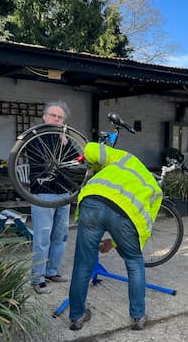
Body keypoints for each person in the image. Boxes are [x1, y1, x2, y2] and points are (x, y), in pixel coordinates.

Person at [68, 142, 163, 331]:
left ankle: (77, 317)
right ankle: (138, 317)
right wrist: (118, 243)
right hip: (125, 215)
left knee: (83, 263)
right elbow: (144, 229)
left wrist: (94, 165)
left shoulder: (124, 158)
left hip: (93, 201)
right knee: (134, 262)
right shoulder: (155, 190)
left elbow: (91, 150)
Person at [30, 101, 74, 294]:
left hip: (64, 192)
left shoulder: (65, 138)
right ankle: (37, 277)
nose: (56, 119)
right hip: (43, 192)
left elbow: (74, 162)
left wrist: (65, 144)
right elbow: (40, 159)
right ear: (44, 116)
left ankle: (51, 271)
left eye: (60, 117)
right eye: (53, 115)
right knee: (42, 236)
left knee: (61, 235)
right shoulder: (34, 137)